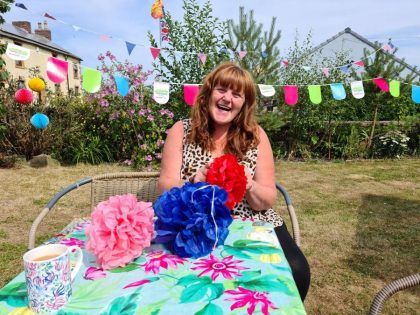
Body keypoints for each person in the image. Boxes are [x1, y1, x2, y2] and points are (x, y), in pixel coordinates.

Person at [158, 62, 310, 301]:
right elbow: (165, 185)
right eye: (221, 90)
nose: (227, 98)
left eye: (236, 94)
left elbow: (268, 199)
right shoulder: (182, 130)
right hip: (196, 224)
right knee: (181, 279)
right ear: (208, 93)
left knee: (297, 270)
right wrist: (194, 180)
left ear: (244, 104)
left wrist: (249, 184)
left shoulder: (256, 136)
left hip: (253, 222)